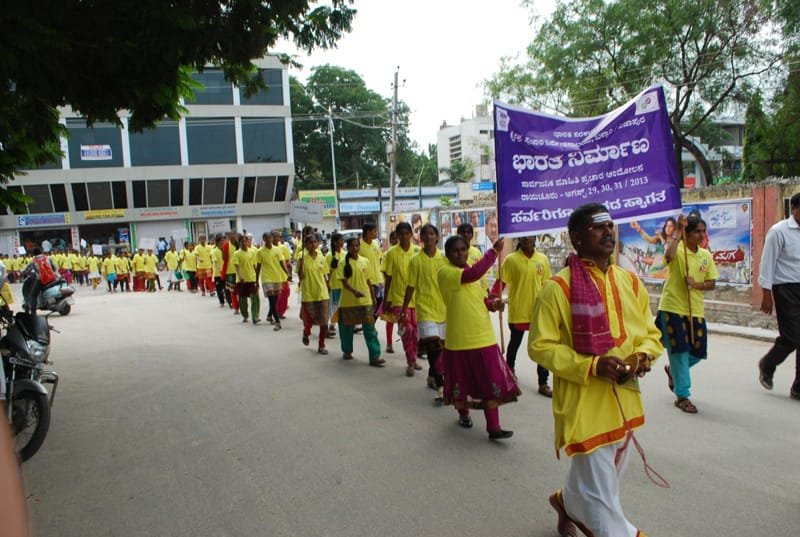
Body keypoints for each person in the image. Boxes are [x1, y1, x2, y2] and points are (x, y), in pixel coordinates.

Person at [529, 203, 663, 537]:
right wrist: (591, 365)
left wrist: (641, 358)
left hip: (625, 397)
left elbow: (650, 334)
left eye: (610, 226)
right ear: (576, 238)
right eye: (597, 226)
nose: (607, 232)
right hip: (584, 402)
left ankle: (566, 501)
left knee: (607, 475)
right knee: (602, 497)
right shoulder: (557, 289)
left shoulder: (630, 282)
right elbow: (540, 347)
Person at [438, 234, 520, 439]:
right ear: (447, 254)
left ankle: (494, 427)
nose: (461, 253)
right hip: (459, 339)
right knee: (461, 382)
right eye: (455, 250)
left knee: (489, 381)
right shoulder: (445, 273)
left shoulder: (472, 273)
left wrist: (493, 304)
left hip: (483, 336)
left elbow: (481, 299)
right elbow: (473, 274)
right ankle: (463, 414)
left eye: (463, 249)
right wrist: (494, 251)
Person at [656, 214, 718, 413]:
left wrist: (696, 284)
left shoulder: (705, 255)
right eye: (697, 231)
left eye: (703, 231)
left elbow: (712, 282)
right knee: (680, 352)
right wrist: (678, 231)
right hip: (672, 308)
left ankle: (674, 371)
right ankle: (683, 396)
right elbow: (668, 257)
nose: (701, 235)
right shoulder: (678, 249)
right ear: (687, 234)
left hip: (695, 310)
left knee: (698, 353)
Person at [489, 235, 553, 396]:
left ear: (535, 238)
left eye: (530, 236)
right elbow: (500, 282)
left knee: (541, 346)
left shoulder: (542, 259)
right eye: (523, 237)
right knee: (515, 343)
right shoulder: (511, 260)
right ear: (519, 239)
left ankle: (543, 382)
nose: (527, 239)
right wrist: (492, 300)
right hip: (519, 310)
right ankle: (509, 371)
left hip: (538, 311)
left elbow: (548, 284)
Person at [758, 191, 800, 400]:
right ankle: (767, 364)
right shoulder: (779, 231)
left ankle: (798, 387)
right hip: (786, 289)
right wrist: (766, 293)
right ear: (793, 209)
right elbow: (767, 262)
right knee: (793, 337)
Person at [401, 224, 447, 402]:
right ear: (420, 238)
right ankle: (441, 386)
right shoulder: (415, 260)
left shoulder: (444, 258)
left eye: (432, 234)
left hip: (444, 310)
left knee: (441, 350)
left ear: (437, 237)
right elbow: (410, 286)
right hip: (425, 310)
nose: (428, 237)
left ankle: (432, 376)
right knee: (434, 348)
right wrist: (404, 309)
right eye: (425, 234)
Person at [337, 237, 385, 366]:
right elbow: (344, 282)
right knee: (346, 329)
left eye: (357, 246)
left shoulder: (365, 261)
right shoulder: (342, 263)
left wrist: (373, 297)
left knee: (370, 328)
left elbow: (368, 280)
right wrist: (354, 292)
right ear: (348, 247)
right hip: (348, 302)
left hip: (365, 300)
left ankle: (375, 356)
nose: (355, 248)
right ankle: (347, 351)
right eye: (352, 246)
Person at [383, 222, 422, 376]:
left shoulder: (418, 251)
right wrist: (386, 300)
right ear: (397, 236)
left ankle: (414, 357)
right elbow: (389, 277)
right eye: (401, 234)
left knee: (416, 331)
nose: (405, 237)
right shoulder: (391, 253)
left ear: (411, 234)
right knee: (407, 330)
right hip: (399, 298)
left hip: (417, 298)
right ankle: (411, 361)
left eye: (407, 233)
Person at [297, 234, 330, 354]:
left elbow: (325, 275)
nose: (313, 244)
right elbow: (300, 277)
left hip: (322, 293)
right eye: (310, 242)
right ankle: (306, 333)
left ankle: (321, 345)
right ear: (305, 244)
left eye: (315, 242)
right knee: (309, 320)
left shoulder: (321, 257)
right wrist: (301, 267)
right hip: (309, 294)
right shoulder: (302, 258)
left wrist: (328, 288)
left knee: (324, 322)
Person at [256, 231, 287, 330]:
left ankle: (269, 315)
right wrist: (256, 281)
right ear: (264, 240)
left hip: (277, 277)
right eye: (267, 238)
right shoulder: (260, 251)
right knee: (272, 300)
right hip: (267, 278)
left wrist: (287, 273)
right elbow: (258, 266)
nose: (269, 240)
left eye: (270, 238)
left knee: (275, 299)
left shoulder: (277, 250)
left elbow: (282, 262)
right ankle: (277, 322)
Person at [233, 235, 260, 324]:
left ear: (248, 242)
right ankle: (245, 315)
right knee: (242, 299)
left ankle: (255, 316)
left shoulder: (252, 252)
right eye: (242, 242)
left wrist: (257, 279)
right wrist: (240, 276)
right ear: (239, 243)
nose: (244, 243)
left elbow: (254, 265)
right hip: (242, 280)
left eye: (246, 241)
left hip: (251, 278)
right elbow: (236, 266)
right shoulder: (237, 253)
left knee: (254, 297)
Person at [326, 232, 345, 338]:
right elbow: (327, 272)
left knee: (343, 305)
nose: (342, 242)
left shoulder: (345, 253)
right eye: (340, 240)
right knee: (334, 305)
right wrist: (328, 283)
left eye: (343, 240)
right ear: (334, 242)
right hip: (334, 284)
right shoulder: (329, 256)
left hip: (344, 284)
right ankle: (332, 325)